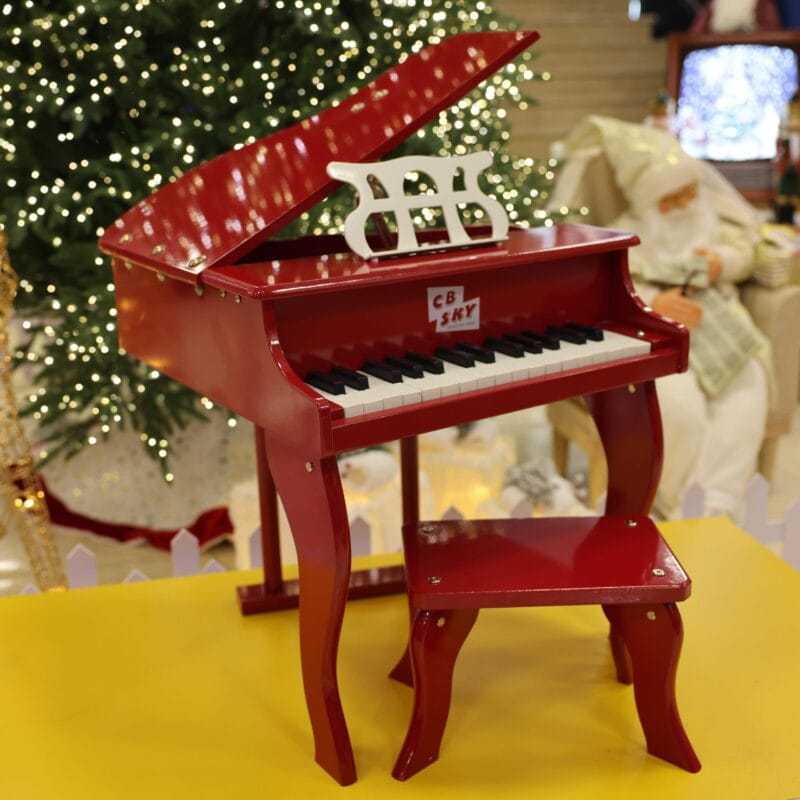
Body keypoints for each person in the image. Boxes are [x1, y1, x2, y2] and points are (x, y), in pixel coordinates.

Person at [562, 116, 771, 519]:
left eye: (689, 193)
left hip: (720, 334)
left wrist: (722, 263)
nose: (684, 206)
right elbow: (599, 290)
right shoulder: (623, 235)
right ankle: (673, 502)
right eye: (670, 199)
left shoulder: (712, 220)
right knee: (679, 410)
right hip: (656, 342)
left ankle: (716, 505)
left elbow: (749, 253)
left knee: (747, 392)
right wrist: (654, 301)